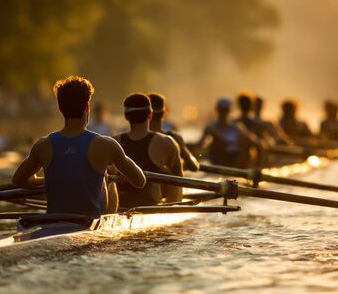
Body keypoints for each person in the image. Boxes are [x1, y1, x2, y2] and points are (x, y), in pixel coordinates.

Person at [12, 76, 146, 219]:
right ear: (87, 107)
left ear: (60, 108)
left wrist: (53, 178)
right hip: (89, 229)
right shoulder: (107, 145)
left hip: (52, 225)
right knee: (106, 179)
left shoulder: (43, 145)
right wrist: (113, 173)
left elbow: (18, 180)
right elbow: (139, 181)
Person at [113, 93, 183, 209]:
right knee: (173, 175)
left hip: (119, 205)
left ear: (126, 116)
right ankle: (171, 207)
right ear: (150, 114)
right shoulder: (166, 142)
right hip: (150, 203)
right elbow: (180, 180)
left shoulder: (112, 142)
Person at [196, 97, 261, 168]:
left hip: (236, 159)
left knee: (246, 151)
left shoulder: (237, 127)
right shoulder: (211, 128)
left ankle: (254, 169)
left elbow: (256, 143)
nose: (223, 113)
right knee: (219, 142)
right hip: (219, 158)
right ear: (217, 110)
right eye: (221, 109)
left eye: (225, 110)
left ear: (230, 110)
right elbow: (199, 145)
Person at [148, 92, 199, 172]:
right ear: (164, 114)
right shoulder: (175, 138)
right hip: (169, 182)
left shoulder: (128, 139)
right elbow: (194, 167)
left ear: (147, 114)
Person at [233, 92, 265, 167]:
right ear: (252, 106)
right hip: (248, 158)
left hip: (245, 157)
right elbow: (262, 146)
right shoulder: (258, 123)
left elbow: (260, 146)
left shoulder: (232, 122)